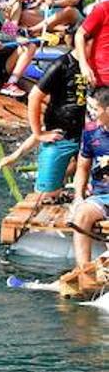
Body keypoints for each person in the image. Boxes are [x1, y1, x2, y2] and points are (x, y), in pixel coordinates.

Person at [26, 52, 89, 198]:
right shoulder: (62, 64)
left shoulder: (100, 60)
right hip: (62, 134)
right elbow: (34, 96)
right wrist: (38, 134)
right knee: (46, 195)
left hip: (90, 134)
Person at [68, 87, 109, 270]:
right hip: (101, 196)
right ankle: (83, 270)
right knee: (81, 214)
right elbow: (82, 167)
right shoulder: (91, 133)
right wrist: (78, 196)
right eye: (89, 108)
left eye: (95, 108)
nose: (90, 113)